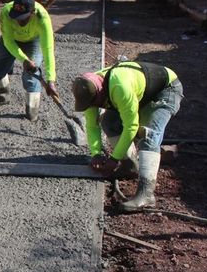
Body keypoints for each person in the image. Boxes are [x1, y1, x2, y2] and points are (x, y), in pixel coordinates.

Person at [71, 61, 183, 212]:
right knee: (109, 121)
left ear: (100, 93)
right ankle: (130, 166)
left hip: (165, 90)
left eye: (96, 103)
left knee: (148, 135)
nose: (95, 106)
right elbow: (92, 126)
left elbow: (131, 126)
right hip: (140, 93)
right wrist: (95, 153)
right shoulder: (90, 91)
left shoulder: (119, 88)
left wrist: (113, 158)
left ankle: (146, 194)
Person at [0, 0, 58, 121]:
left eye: (23, 18)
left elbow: (48, 50)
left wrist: (51, 80)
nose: (19, 21)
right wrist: (23, 59)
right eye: (17, 17)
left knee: (31, 75)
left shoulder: (42, 17)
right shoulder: (6, 12)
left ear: (32, 12)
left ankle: (32, 113)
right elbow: (8, 41)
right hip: (12, 40)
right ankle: (2, 98)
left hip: (33, 40)